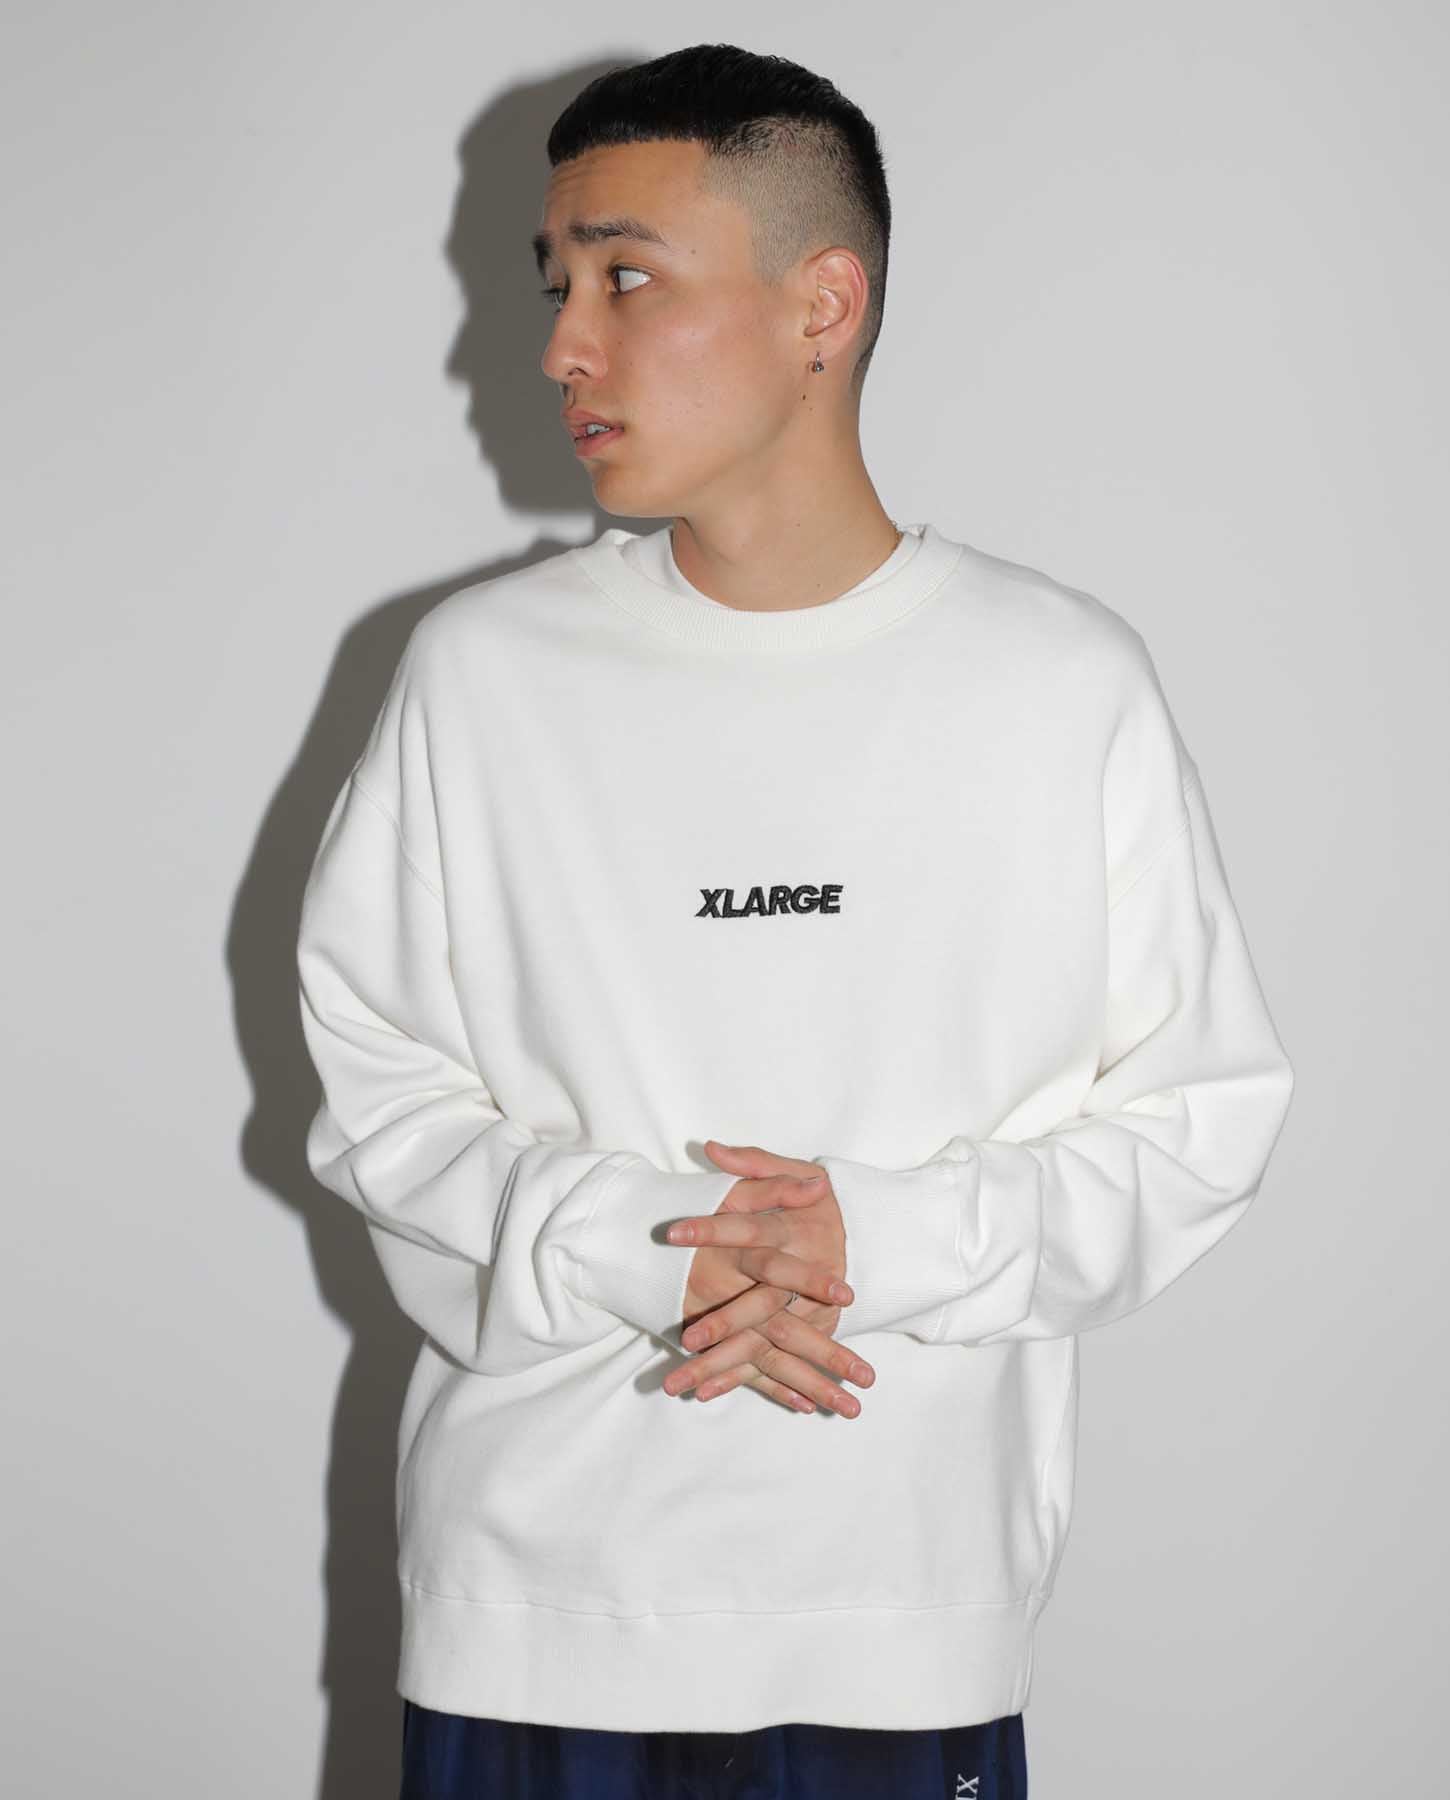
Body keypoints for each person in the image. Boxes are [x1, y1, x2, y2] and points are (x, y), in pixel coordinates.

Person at [296, 41, 1295, 1800]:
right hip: (534, 1610)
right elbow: (377, 1095)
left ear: (823, 303)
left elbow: (1200, 1122)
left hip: (901, 1615)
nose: (561, 347)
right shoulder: (481, 676)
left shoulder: (1058, 685)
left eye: (625, 279)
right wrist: (656, 1248)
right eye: (554, 286)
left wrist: (875, 1241)